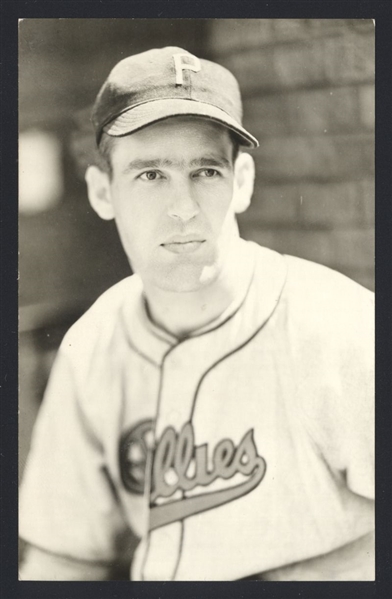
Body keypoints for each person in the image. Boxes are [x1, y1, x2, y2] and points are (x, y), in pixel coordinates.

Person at [19, 46, 374, 581]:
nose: (183, 206)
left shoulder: (339, 325)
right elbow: (63, 558)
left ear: (243, 182)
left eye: (206, 171)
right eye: (150, 175)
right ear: (101, 192)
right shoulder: (90, 347)